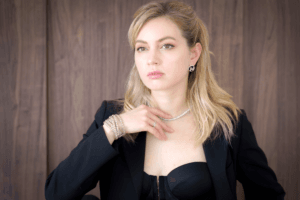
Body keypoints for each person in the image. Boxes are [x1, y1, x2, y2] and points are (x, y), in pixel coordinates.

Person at [44, 1, 286, 200]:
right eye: (142, 48)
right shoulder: (112, 116)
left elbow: (269, 195)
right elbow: (56, 193)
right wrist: (115, 128)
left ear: (194, 53)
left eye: (166, 46)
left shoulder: (229, 123)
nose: (152, 59)